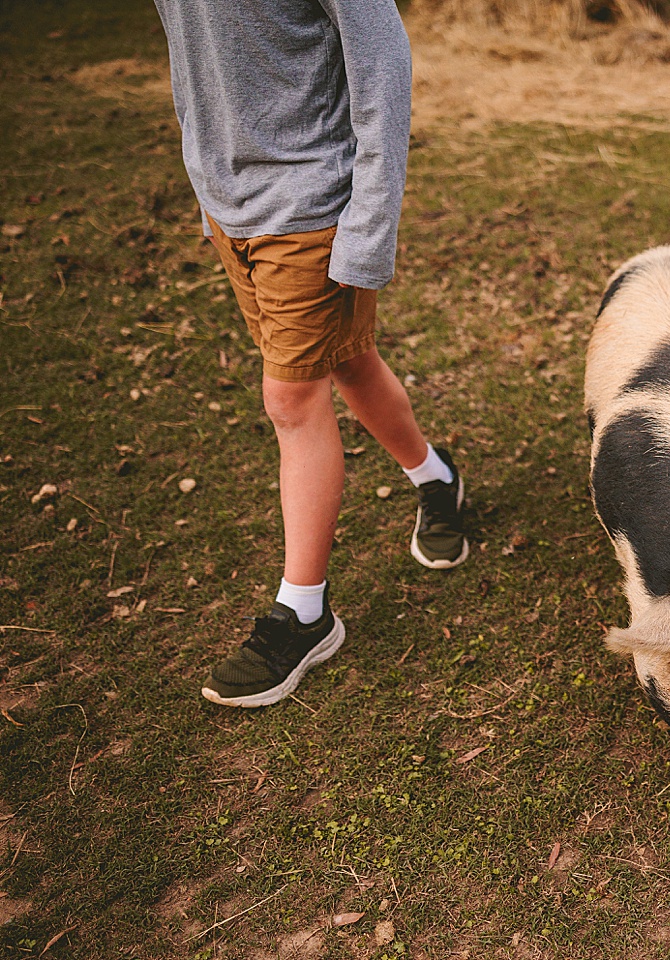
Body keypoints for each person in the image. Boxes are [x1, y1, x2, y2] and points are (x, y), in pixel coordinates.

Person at [151, 0, 468, 707]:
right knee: (347, 361)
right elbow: (195, 57)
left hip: (311, 207)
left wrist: (368, 228)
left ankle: (305, 612)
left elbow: (383, 62)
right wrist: (206, 179)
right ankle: (436, 478)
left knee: (291, 398)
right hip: (231, 205)